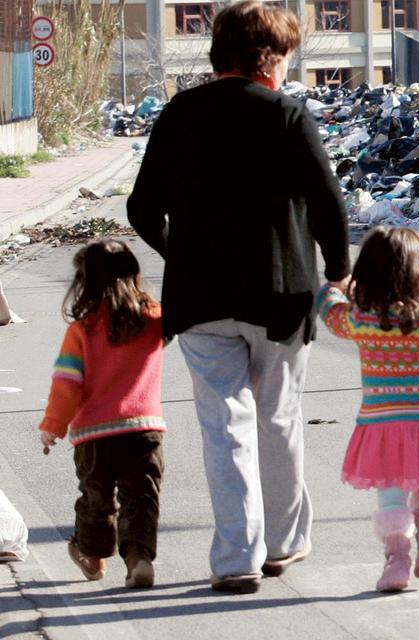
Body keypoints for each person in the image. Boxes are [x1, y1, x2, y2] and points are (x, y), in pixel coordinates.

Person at [127, 0, 350, 594]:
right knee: (277, 417)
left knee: (223, 425)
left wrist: (184, 255)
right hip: (281, 297)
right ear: (271, 60)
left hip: (201, 300)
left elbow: (141, 209)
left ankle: (235, 558)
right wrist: (340, 272)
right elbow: (329, 203)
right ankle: (283, 545)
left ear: (217, 55)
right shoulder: (287, 115)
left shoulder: (180, 114)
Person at [316, 227, 419, 593]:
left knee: (390, 492)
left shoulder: (364, 318)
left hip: (382, 423)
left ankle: (398, 560)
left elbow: (330, 314)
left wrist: (333, 287)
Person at [38, 240, 165, 589]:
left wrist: (52, 427)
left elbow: (67, 386)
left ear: (85, 282)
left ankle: (92, 557)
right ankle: (139, 559)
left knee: (97, 499)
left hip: (94, 435)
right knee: (141, 497)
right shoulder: (154, 319)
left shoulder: (81, 330)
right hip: (143, 429)